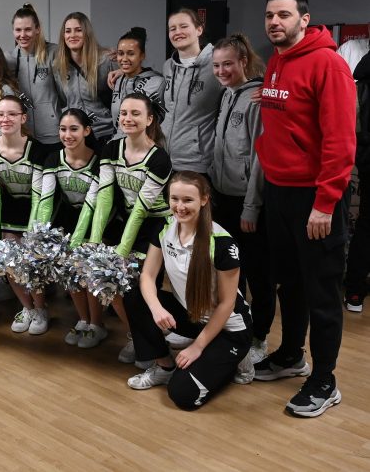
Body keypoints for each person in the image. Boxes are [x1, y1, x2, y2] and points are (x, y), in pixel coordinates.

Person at [253, 0, 356, 418]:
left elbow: (339, 141)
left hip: (315, 197)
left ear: (304, 18)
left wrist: (326, 202)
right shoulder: (276, 61)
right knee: (289, 282)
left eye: (283, 15)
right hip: (279, 191)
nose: (274, 21)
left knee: (321, 291)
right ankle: (292, 355)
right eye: (269, 15)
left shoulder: (328, 64)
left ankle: (324, 379)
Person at [124, 171, 252, 409]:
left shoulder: (223, 242)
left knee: (183, 396)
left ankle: (235, 358)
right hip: (192, 315)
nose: (179, 207)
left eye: (187, 200)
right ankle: (164, 365)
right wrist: (156, 310)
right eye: (175, 199)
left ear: (204, 200)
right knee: (132, 290)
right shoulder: (165, 227)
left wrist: (197, 347)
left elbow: (226, 304)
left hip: (228, 328)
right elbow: (147, 276)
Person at [80, 94, 171, 366]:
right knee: (116, 287)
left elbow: (143, 209)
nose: (128, 119)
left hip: (154, 226)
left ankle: (156, 350)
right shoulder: (111, 148)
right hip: (125, 221)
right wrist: (96, 242)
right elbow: (105, 196)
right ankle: (137, 337)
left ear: (149, 119)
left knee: (141, 289)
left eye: (135, 114)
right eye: (124, 113)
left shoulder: (160, 159)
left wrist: (121, 251)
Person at [209, 34, 272, 365]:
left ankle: (260, 337)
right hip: (223, 199)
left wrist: (252, 205)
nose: (221, 71)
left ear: (243, 61)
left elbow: (258, 158)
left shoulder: (256, 100)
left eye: (228, 64)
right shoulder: (226, 95)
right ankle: (237, 328)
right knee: (232, 271)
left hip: (248, 203)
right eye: (217, 65)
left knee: (258, 272)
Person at [0, 95, 48, 334]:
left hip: (34, 210)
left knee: (30, 261)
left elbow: (40, 196)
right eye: (0, 114)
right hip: (8, 210)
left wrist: (32, 234)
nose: (5, 119)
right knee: (9, 258)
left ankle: (40, 309)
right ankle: (27, 307)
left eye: (11, 114)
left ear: (23, 118)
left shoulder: (36, 150)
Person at [37, 109, 103, 347]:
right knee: (68, 269)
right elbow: (46, 200)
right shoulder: (54, 159)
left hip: (96, 224)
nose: (67, 134)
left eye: (74, 129)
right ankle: (83, 320)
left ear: (87, 131)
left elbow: (91, 206)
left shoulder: (99, 160)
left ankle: (97, 324)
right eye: (63, 129)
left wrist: (77, 243)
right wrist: (40, 234)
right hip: (68, 221)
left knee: (85, 269)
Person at [161, 8, 223, 174]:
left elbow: (243, 82)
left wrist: (257, 89)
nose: (177, 32)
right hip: (164, 159)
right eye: (172, 29)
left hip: (197, 163)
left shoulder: (217, 63)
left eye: (183, 26)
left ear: (199, 29)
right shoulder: (168, 66)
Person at [53, 12, 116, 144]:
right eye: (68, 31)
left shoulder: (105, 60)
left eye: (78, 30)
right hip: (78, 136)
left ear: (87, 33)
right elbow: (64, 100)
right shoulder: (59, 66)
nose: (72, 35)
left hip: (106, 133)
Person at [6, 4, 63, 146]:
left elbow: (65, 93)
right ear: (13, 31)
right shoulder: (8, 59)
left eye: (28, 29)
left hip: (52, 134)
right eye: (18, 30)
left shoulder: (53, 52)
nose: (22, 35)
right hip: (23, 135)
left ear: (37, 29)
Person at [344, 50, 370, 312]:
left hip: (365, 160)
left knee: (365, 224)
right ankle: (353, 290)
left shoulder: (359, 83)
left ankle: (354, 291)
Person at [110, 27, 164, 133]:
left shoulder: (158, 83)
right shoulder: (117, 81)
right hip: (120, 145)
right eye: (121, 53)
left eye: (131, 54)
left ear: (142, 56)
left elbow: (164, 121)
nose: (124, 59)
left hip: (145, 146)